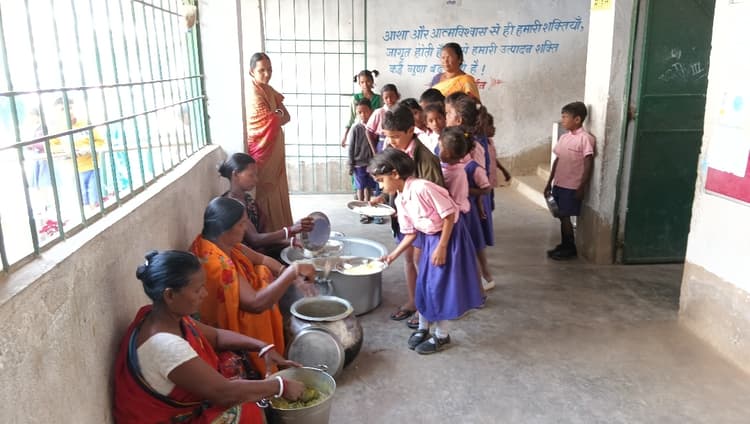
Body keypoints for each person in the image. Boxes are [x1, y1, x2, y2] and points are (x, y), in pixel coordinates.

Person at [113, 250, 305, 423]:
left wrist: (262, 347)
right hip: (164, 419)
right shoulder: (165, 347)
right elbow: (224, 393)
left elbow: (216, 336)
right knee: (246, 411)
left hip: (188, 406)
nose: (204, 294)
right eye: (197, 290)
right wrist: (280, 386)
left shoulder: (163, 315)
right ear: (170, 295)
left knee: (233, 368)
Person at [371, 149, 483, 354]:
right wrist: (392, 256)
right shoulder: (400, 199)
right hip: (430, 239)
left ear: (395, 174)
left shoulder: (422, 187)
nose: (380, 186)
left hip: (449, 238)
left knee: (440, 287)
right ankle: (423, 328)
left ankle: (442, 335)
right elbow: (410, 233)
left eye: (381, 180)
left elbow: (449, 215)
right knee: (424, 284)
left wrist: (442, 247)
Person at [190, 197, 317, 374]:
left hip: (248, 303)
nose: (245, 229)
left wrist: (289, 275)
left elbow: (262, 259)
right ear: (224, 229)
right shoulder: (217, 264)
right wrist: (292, 272)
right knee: (264, 280)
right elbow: (255, 304)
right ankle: (260, 364)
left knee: (263, 271)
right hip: (227, 330)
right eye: (241, 224)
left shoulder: (222, 244)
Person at [374, 104, 444, 330]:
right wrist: (382, 197)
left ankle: (427, 307)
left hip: (424, 224)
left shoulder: (426, 159)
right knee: (408, 260)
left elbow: (436, 198)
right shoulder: (392, 150)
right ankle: (414, 301)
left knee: (420, 262)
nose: (390, 141)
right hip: (403, 219)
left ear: (410, 130)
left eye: (395, 136)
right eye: (387, 136)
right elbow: (390, 182)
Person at [444, 92, 496, 290]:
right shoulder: (453, 140)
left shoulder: (474, 146)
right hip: (462, 199)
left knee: (474, 241)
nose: (445, 117)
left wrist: (480, 202)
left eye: (447, 113)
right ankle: (477, 278)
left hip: (472, 202)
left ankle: (482, 279)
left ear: (458, 120)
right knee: (470, 242)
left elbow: (481, 179)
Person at [219, 152, 314, 257]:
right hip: (245, 258)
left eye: (256, 175)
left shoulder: (248, 200)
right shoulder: (230, 205)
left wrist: (291, 241)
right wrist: (290, 230)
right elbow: (255, 240)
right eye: (251, 175)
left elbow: (263, 238)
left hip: (259, 253)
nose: (256, 180)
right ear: (236, 174)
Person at [246, 52, 293, 233]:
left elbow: (286, 116)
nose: (267, 74)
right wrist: (276, 116)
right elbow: (268, 121)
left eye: (270, 69)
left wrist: (276, 116)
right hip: (264, 151)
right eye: (262, 70)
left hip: (276, 149)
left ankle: (283, 229)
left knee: (279, 189)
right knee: (266, 192)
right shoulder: (253, 93)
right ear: (251, 71)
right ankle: (269, 234)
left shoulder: (270, 90)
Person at [543, 101, 595, 260]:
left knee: (565, 216)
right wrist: (549, 182)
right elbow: (557, 160)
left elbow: (588, 163)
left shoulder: (585, 139)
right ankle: (565, 244)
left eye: (565, 117)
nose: (563, 120)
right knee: (560, 215)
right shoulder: (564, 138)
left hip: (572, 185)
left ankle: (569, 247)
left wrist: (581, 186)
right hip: (559, 183)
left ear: (577, 119)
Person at [49, 97, 106, 212]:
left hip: (93, 167)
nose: (68, 111)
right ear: (56, 113)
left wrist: (88, 148)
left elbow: (100, 142)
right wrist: (65, 149)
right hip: (74, 171)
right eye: (62, 109)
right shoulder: (56, 130)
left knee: (95, 200)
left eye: (70, 108)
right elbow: (51, 147)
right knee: (83, 202)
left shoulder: (85, 124)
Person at [347, 98, 377, 223]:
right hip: (358, 163)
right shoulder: (356, 128)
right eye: (360, 112)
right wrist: (350, 164)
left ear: (371, 111)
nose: (363, 115)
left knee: (369, 187)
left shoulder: (374, 128)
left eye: (365, 112)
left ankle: (368, 208)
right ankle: (362, 211)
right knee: (360, 187)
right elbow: (351, 147)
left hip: (371, 163)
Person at [341, 69, 381, 147]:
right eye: (362, 82)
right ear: (359, 83)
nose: (365, 84)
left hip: (375, 132)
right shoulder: (355, 98)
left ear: (372, 81)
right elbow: (351, 118)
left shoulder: (379, 99)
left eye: (368, 81)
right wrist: (345, 136)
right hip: (360, 131)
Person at [365, 83, 400, 154]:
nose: (389, 100)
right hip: (382, 143)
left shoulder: (401, 111)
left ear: (397, 96)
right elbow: (368, 131)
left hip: (399, 143)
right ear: (382, 99)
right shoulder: (379, 112)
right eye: (386, 98)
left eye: (392, 96)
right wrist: (374, 151)